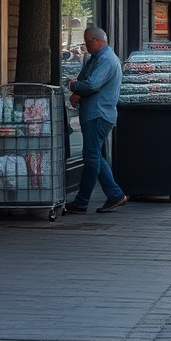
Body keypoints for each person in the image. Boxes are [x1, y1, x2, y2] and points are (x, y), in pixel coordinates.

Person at [66, 27, 128, 213]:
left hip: (97, 114)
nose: (86, 45)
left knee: (92, 157)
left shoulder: (106, 60)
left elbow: (92, 84)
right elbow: (87, 79)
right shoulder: (96, 58)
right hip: (95, 114)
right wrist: (78, 90)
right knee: (95, 156)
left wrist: (74, 86)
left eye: (88, 42)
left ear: (98, 40)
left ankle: (84, 200)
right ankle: (113, 194)